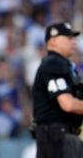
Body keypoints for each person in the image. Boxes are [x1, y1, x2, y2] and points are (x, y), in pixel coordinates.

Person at [32, 22, 83, 158]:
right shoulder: (53, 63)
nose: (73, 41)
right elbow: (68, 104)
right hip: (56, 138)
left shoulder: (66, 66)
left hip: (63, 136)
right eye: (68, 38)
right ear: (53, 41)